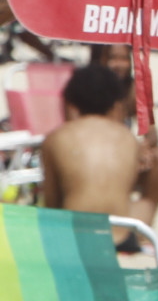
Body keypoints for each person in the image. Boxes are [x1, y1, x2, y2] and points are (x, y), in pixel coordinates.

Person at [41, 65, 145, 240]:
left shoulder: (57, 138)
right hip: (122, 236)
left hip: (75, 237)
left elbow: (52, 203)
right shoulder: (128, 138)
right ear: (115, 103)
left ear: (71, 101)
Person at [88, 43, 158, 227]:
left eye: (125, 59)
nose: (120, 65)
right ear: (102, 60)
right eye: (113, 59)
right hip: (97, 157)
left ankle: (144, 223)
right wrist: (134, 148)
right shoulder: (91, 90)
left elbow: (152, 131)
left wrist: (146, 148)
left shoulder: (133, 88)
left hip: (126, 155)